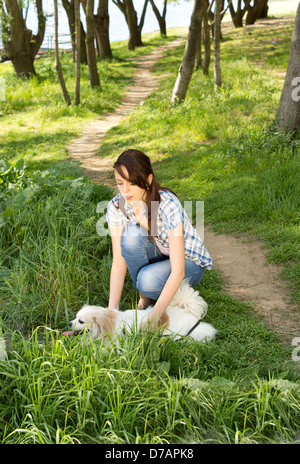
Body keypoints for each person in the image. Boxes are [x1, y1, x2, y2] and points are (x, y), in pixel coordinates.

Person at [106, 149, 213, 330]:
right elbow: (118, 261)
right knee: (131, 237)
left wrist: (154, 317)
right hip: (159, 254)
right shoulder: (117, 206)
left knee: (148, 280)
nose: (125, 191)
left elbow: (178, 271)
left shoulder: (167, 204)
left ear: (148, 180)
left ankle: (151, 295)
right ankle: (145, 297)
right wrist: (111, 312)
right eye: (120, 183)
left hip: (188, 263)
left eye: (132, 184)